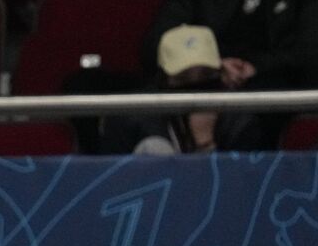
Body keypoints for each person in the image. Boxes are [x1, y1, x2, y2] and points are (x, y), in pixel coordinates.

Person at [102, 25, 266, 154]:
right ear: (163, 80)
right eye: (184, 77)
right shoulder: (131, 119)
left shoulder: (239, 121)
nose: (196, 88)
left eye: (206, 74)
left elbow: (239, 188)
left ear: (219, 74)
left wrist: (206, 144)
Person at [143, 0, 318, 91]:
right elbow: (157, 43)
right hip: (201, 82)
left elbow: (311, 53)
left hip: (273, 88)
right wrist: (214, 65)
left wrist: (256, 68)